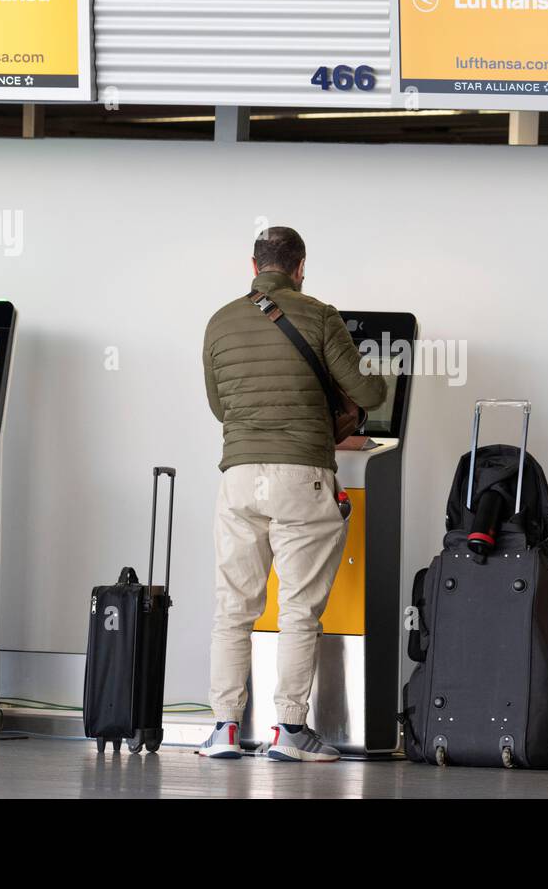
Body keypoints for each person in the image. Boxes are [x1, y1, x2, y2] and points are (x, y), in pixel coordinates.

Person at [197, 226, 387, 762]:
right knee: (299, 609)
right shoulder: (320, 315)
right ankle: (289, 731)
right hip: (302, 474)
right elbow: (371, 392)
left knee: (233, 608)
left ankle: (225, 730)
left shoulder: (220, 320)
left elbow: (219, 406)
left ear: (253, 265)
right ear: (300, 267)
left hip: (237, 477)